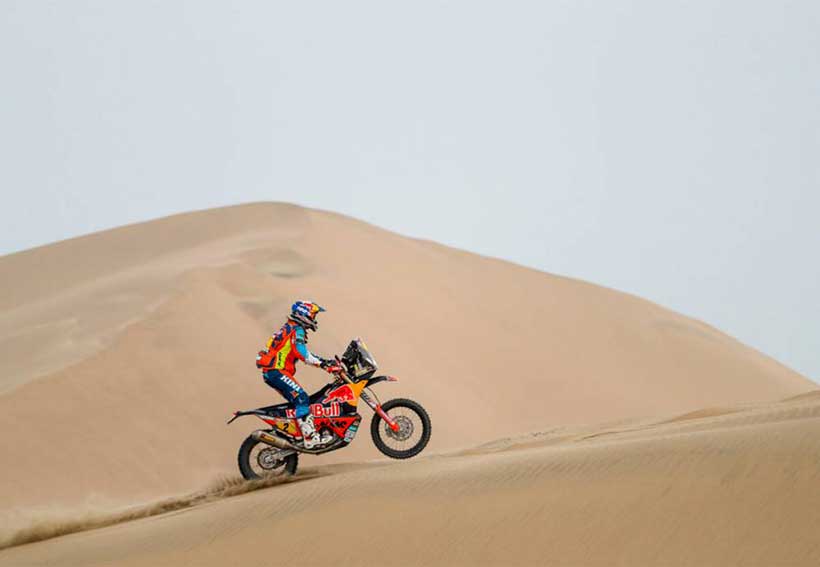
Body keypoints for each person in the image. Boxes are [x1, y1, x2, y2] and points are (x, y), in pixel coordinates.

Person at [256, 300, 338, 449]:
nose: (314, 319)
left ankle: (297, 435)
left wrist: (324, 362)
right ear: (304, 314)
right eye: (313, 315)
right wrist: (324, 364)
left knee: (297, 402)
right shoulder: (296, 329)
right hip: (276, 371)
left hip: (273, 372)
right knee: (302, 398)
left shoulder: (289, 327)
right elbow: (302, 353)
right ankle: (310, 438)